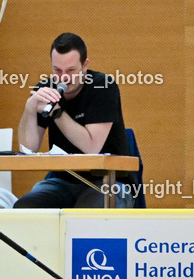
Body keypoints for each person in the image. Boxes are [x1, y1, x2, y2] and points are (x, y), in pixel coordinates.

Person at [15, 32, 134, 208]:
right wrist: (29, 108)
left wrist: (57, 112)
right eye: (57, 70)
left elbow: (91, 148)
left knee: (88, 213)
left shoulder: (103, 87)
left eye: (71, 70)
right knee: (25, 208)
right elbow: (27, 149)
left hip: (107, 181)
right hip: (62, 181)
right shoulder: (45, 89)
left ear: (84, 66)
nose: (63, 77)